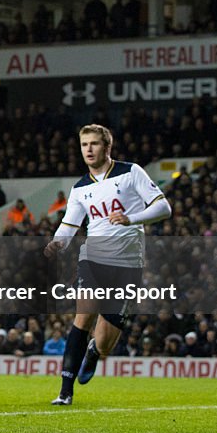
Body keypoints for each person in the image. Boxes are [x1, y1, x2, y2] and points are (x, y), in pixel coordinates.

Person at [44, 124, 171, 405]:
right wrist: (57, 243)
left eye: (94, 144)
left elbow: (164, 208)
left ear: (107, 147)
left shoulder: (130, 172)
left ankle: (94, 351)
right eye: (84, 145)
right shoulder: (79, 188)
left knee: (105, 341)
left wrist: (132, 218)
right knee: (83, 316)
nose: (88, 150)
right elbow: (69, 225)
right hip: (94, 257)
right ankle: (65, 391)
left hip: (128, 262)